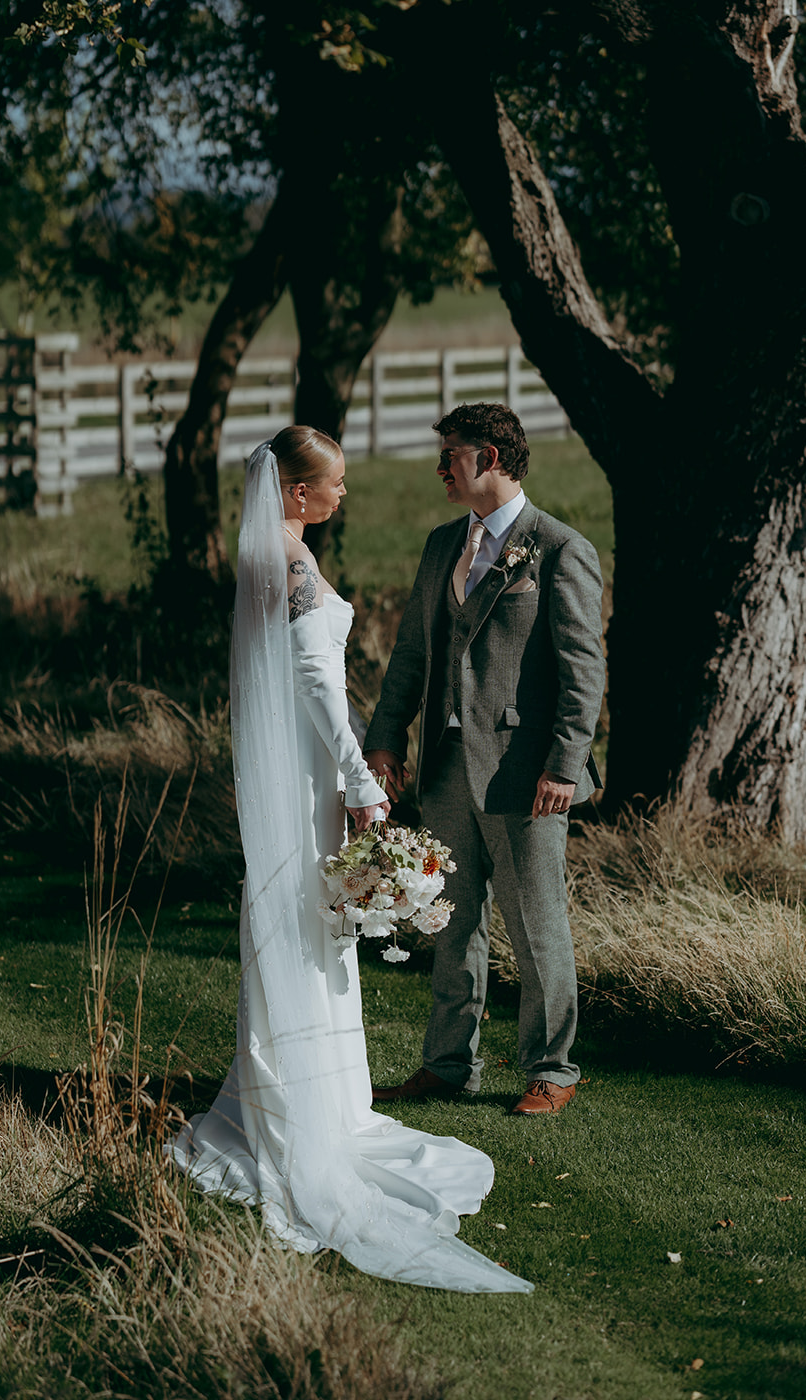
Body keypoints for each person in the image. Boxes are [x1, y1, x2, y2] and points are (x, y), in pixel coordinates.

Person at [168, 425, 531, 1293]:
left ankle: (298, 1093)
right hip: (310, 773)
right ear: (296, 493)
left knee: (307, 924)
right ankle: (305, 1108)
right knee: (307, 924)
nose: (344, 496)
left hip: (297, 774)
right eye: (333, 485)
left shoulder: (278, 556)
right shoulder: (290, 567)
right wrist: (359, 779)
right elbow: (316, 687)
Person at [365, 403, 604, 1116]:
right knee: (449, 925)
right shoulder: (442, 545)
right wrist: (383, 738)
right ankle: (445, 1065)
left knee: (537, 927)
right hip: (442, 769)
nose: (441, 469)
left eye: (451, 456)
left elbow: (581, 670)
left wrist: (564, 764)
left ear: (490, 458)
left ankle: (552, 1070)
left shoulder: (559, 549)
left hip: (525, 774)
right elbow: (411, 653)